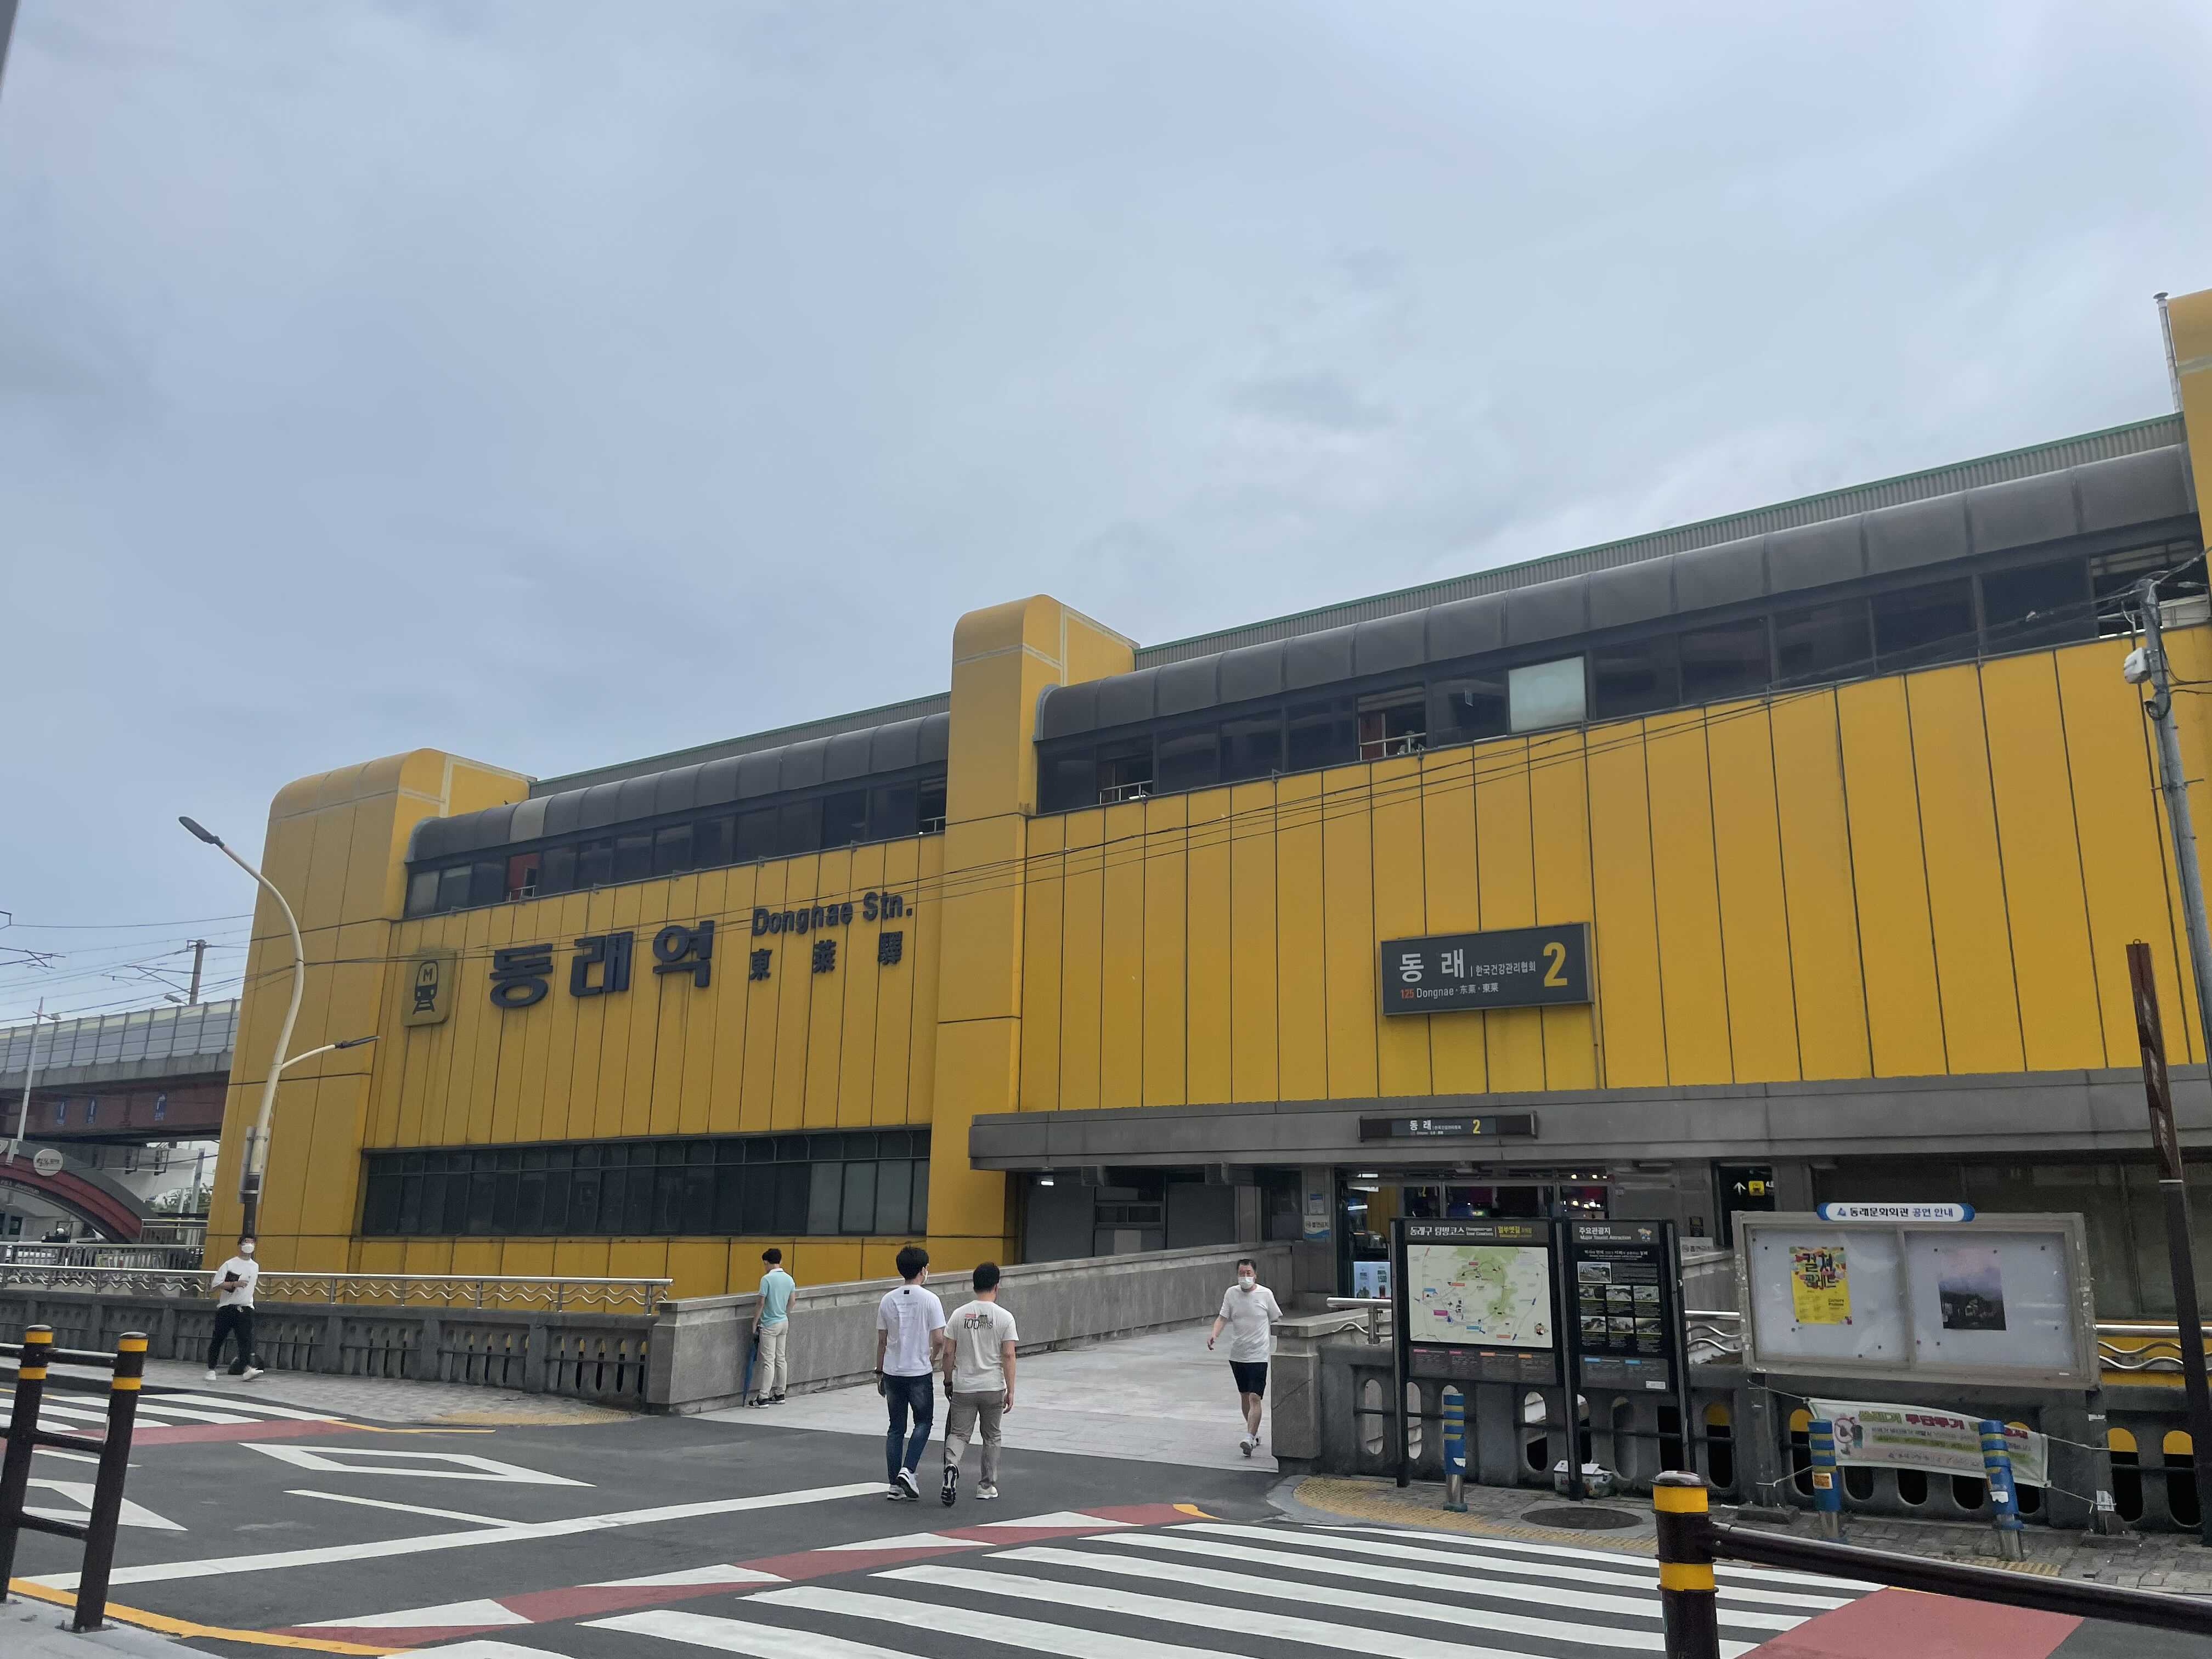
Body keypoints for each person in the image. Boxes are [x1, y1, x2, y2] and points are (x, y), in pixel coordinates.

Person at [939, 1261, 1017, 1505]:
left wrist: (948, 1380)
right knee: (991, 1436)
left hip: (964, 1385)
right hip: (993, 1386)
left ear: (974, 1286)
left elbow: (948, 1353)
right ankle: (986, 1485)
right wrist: (1011, 1389)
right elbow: (1009, 1355)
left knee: (959, 1434)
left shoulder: (959, 1315)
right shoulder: (1005, 1317)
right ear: (997, 1286)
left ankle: (952, 1465)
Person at [874, 1244, 946, 1500]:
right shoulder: (931, 1300)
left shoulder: (888, 1299)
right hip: (918, 1370)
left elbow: (882, 1341)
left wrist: (879, 1372)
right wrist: (932, 1357)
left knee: (896, 1427)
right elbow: (939, 1339)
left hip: (892, 1370)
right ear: (923, 1270)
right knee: (924, 1422)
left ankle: (894, 1484)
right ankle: (909, 1469)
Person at [1206, 1256, 1282, 1457]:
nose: (1245, 1277)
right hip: (1238, 1353)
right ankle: (1253, 1433)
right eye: (1242, 1273)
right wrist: (1214, 1334)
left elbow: (1277, 1319)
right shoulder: (1231, 1294)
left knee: (1255, 1397)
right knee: (1245, 1396)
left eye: (1248, 1273)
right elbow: (1223, 1317)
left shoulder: (1266, 1294)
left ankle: (1249, 1437)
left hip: (1259, 1354)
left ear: (1255, 1275)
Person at [206, 1235, 264, 1381]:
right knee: (219, 1338)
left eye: (252, 1243)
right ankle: (211, 1369)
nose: (249, 1245)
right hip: (227, 1307)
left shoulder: (255, 1266)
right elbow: (215, 1285)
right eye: (246, 1242)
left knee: (245, 1340)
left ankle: (247, 1368)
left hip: (245, 1307)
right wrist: (234, 1284)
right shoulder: (230, 1264)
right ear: (240, 1245)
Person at [751, 1248, 794, 1407]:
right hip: (784, 1322)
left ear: (766, 1262)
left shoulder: (767, 1279)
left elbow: (761, 1303)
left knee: (769, 1361)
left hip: (769, 1324)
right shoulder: (789, 1279)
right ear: (781, 1261)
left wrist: (755, 1322)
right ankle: (780, 1393)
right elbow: (792, 1301)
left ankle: (763, 1397)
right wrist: (784, 1314)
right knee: (781, 1359)